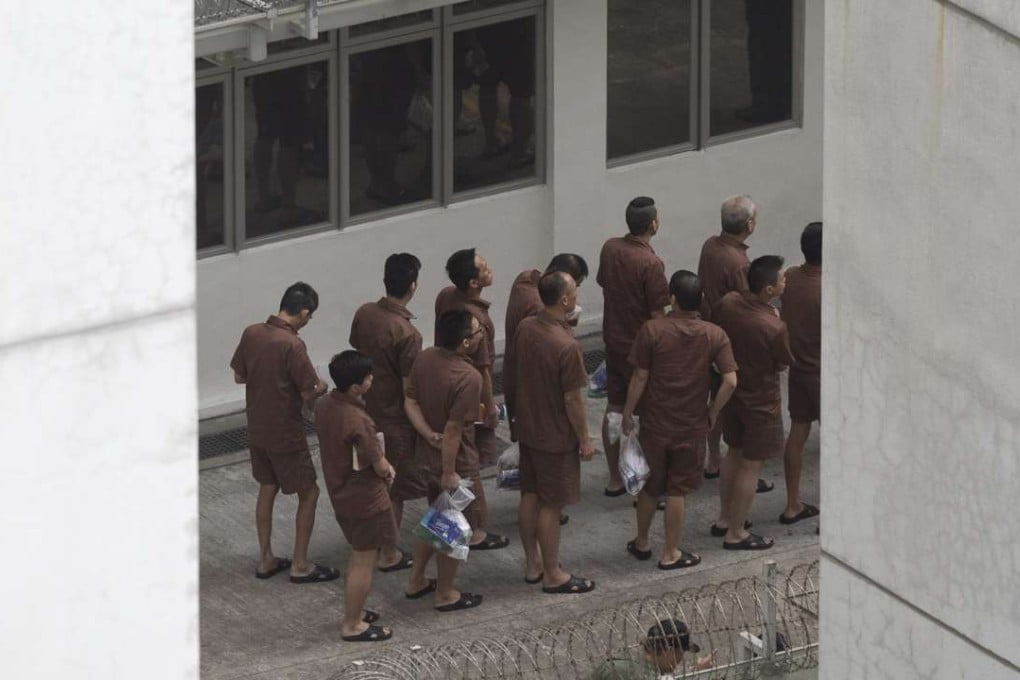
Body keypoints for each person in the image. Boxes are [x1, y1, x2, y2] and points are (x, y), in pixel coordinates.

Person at [621, 271, 738, 569]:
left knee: (650, 486)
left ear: (672, 298)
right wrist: (712, 411)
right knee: (677, 490)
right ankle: (670, 552)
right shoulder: (714, 334)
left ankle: (642, 542)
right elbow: (730, 381)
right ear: (700, 300)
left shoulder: (652, 330)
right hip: (691, 423)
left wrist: (627, 412)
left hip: (655, 421)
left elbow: (640, 375)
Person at [229, 282, 338, 583]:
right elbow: (309, 391)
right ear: (303, 312)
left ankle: (266, 558)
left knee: (267, 486)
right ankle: (300, 564)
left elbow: (240, 375)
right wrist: (322, 386)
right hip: (286, 432)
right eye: (309, 316)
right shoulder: (292, 345)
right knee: (309, 492)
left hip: (256, 427)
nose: (307, 322)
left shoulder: (252, 332)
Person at [504, 272, 596, 594]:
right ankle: (553, 572)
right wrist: (584, 437)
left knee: (529, 494)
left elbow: (513, 372)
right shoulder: (566, 345)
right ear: (566, 300)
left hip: (529, 427)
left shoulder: (526, 327)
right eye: (575, 290)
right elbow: (572, 398)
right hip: (555, 435)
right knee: (551, 504)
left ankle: (533, 564)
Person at [403, 310, 487, 612]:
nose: (481, 336)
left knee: (435, 518)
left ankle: (416, 580)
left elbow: (409, 400)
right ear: (465, 343)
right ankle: (446, 592)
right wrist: (450, 471)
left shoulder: (425, 359)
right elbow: (453, 430)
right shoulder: (468, 377)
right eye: (477, 332)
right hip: (455, 463)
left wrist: (427, 434)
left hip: (425, 456)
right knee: (453, 528)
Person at [349, 253, 426, 572]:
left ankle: (372, 539)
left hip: (364, 409)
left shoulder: (365, 313)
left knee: (369, 479)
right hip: (393, 417)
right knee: (392, 486)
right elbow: (411, 386)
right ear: (413, 285)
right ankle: (389, 552)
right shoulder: (407, 334)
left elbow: (355, 351)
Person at [713, 256, 794, 550]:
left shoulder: (729, 303)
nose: (786, 282)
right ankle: (737, 532)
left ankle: (724, 517)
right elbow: (783, 360)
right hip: (761, 398)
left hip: (733, 391)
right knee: (751, 465)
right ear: (769, 289)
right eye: (783, 279)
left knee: (732, 453)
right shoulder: (773, 325)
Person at [316, 351, 397, 642]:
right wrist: (389, 471)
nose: (372, 379)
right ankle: (353, 624)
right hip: (364, 497)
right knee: (363, 560)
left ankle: (357, 612)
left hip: (341, 492)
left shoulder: (325, 405)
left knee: (358, 555)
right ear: (355, 387)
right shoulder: (357, 418)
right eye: (368, 377)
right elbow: (378, 462)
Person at [434, 248, 508, 550]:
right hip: (466, 392)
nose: (489, 268)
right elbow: (485, 369)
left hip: (444, 382)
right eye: (483, 267)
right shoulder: (478, 321)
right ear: (473, 283)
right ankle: (475, 530)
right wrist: (489, 407)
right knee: (470, 464)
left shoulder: (445, 296)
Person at [697, 195, 772, 494]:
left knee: (716, 399)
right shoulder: (739, 263)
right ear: (749, 224)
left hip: (710, 331)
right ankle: (740, 466)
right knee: (735, 403)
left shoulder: (710, 246)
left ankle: (713, 458)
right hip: (731, 339)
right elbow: (748, 304)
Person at [596, 197, 670, 497]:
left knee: (614, 406)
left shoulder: (610, 248)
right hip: (640, 348)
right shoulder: (651, 263)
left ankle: (615, 477)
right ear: (653, 224)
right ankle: (646, 479)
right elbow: (657, 315)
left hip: (613, 340)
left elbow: (605, 283)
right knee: (648, 413)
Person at [779, 222, 822, 524]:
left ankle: (792, 502)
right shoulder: (828, 288)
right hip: (824, 374)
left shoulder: (790, 278)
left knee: (797, 433)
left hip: (799, 369)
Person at [590, 618, 714, 679]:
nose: (680, 659)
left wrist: (695, 670)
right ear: (668, 651)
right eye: (680, 652)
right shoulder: (628, 673)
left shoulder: (627, 660)